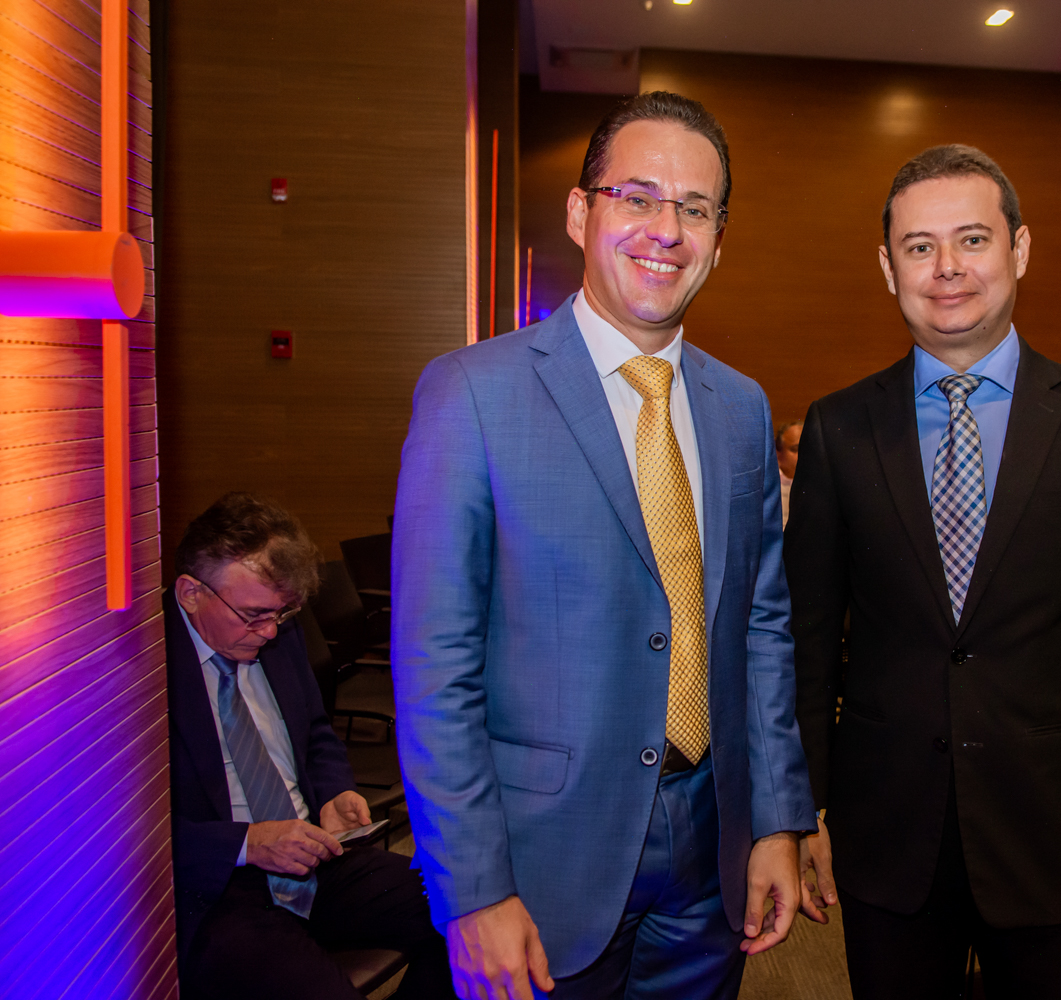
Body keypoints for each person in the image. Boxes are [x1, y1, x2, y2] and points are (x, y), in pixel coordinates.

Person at [391, 92, 817, 1000]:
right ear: (581, 212)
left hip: (710, 853)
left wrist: (777, 820)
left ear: (718, 238)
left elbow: (762, 630)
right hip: (544, 860)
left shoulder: (741, 409)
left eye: (695, 208)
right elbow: (435, 667)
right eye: (638, 197)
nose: (667, 229)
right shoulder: (472, 394)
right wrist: (474, 890)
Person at [786, 144, 1061, 999]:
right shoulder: (837, 429)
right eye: (919, 246)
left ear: (1020, 248)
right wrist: (799, 809)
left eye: (972, 239)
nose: (947, 268)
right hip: (886, 837)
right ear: (888, 267)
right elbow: (807, 646)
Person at [166, 493, 453, 1000]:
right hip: (220, 890)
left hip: (317, 861)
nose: (270, 631)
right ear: (191, 593)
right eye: (253, 615)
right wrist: (249, 842)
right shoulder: (137, 667)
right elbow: (118, 836)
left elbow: (317, 732)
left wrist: (333, 792)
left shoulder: (280, 630)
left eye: (282, 612)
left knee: (468, 911)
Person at [776, 420, 802, 527]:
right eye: (795, 449)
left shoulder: (820, 483)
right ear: (778, 452)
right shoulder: (768, 482)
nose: (803, 454)